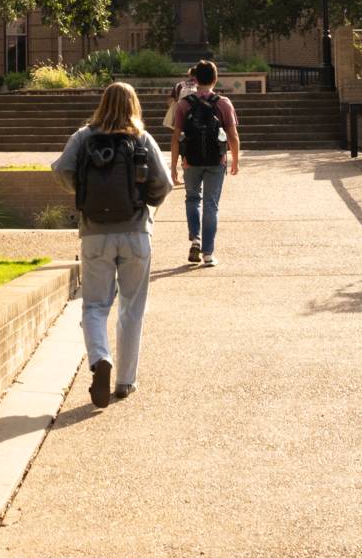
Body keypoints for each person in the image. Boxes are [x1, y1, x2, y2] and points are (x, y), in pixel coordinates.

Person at [51, 81, 173, 407]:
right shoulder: (141, 138)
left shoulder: (83, 137)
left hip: (94, 234)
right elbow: (166, 184)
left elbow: (61, 170)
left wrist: (83, 195)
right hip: (135, 233)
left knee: (94, 306)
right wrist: (144, 203)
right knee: (132, 309)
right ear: (134, 105)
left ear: (102, 103)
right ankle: (125, 381)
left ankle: (99, 358)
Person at [168, 59, 240, 266]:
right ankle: (208, 254)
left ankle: (196, 239)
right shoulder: (223, 103)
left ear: (195, 78)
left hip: (190, 161)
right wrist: (234, 159)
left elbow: (175, 137)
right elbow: (232, 135)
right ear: (216, 79)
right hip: (216, 161)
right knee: (211, 205)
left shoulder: (184, 104)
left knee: (192, 199)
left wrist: (174, 166)